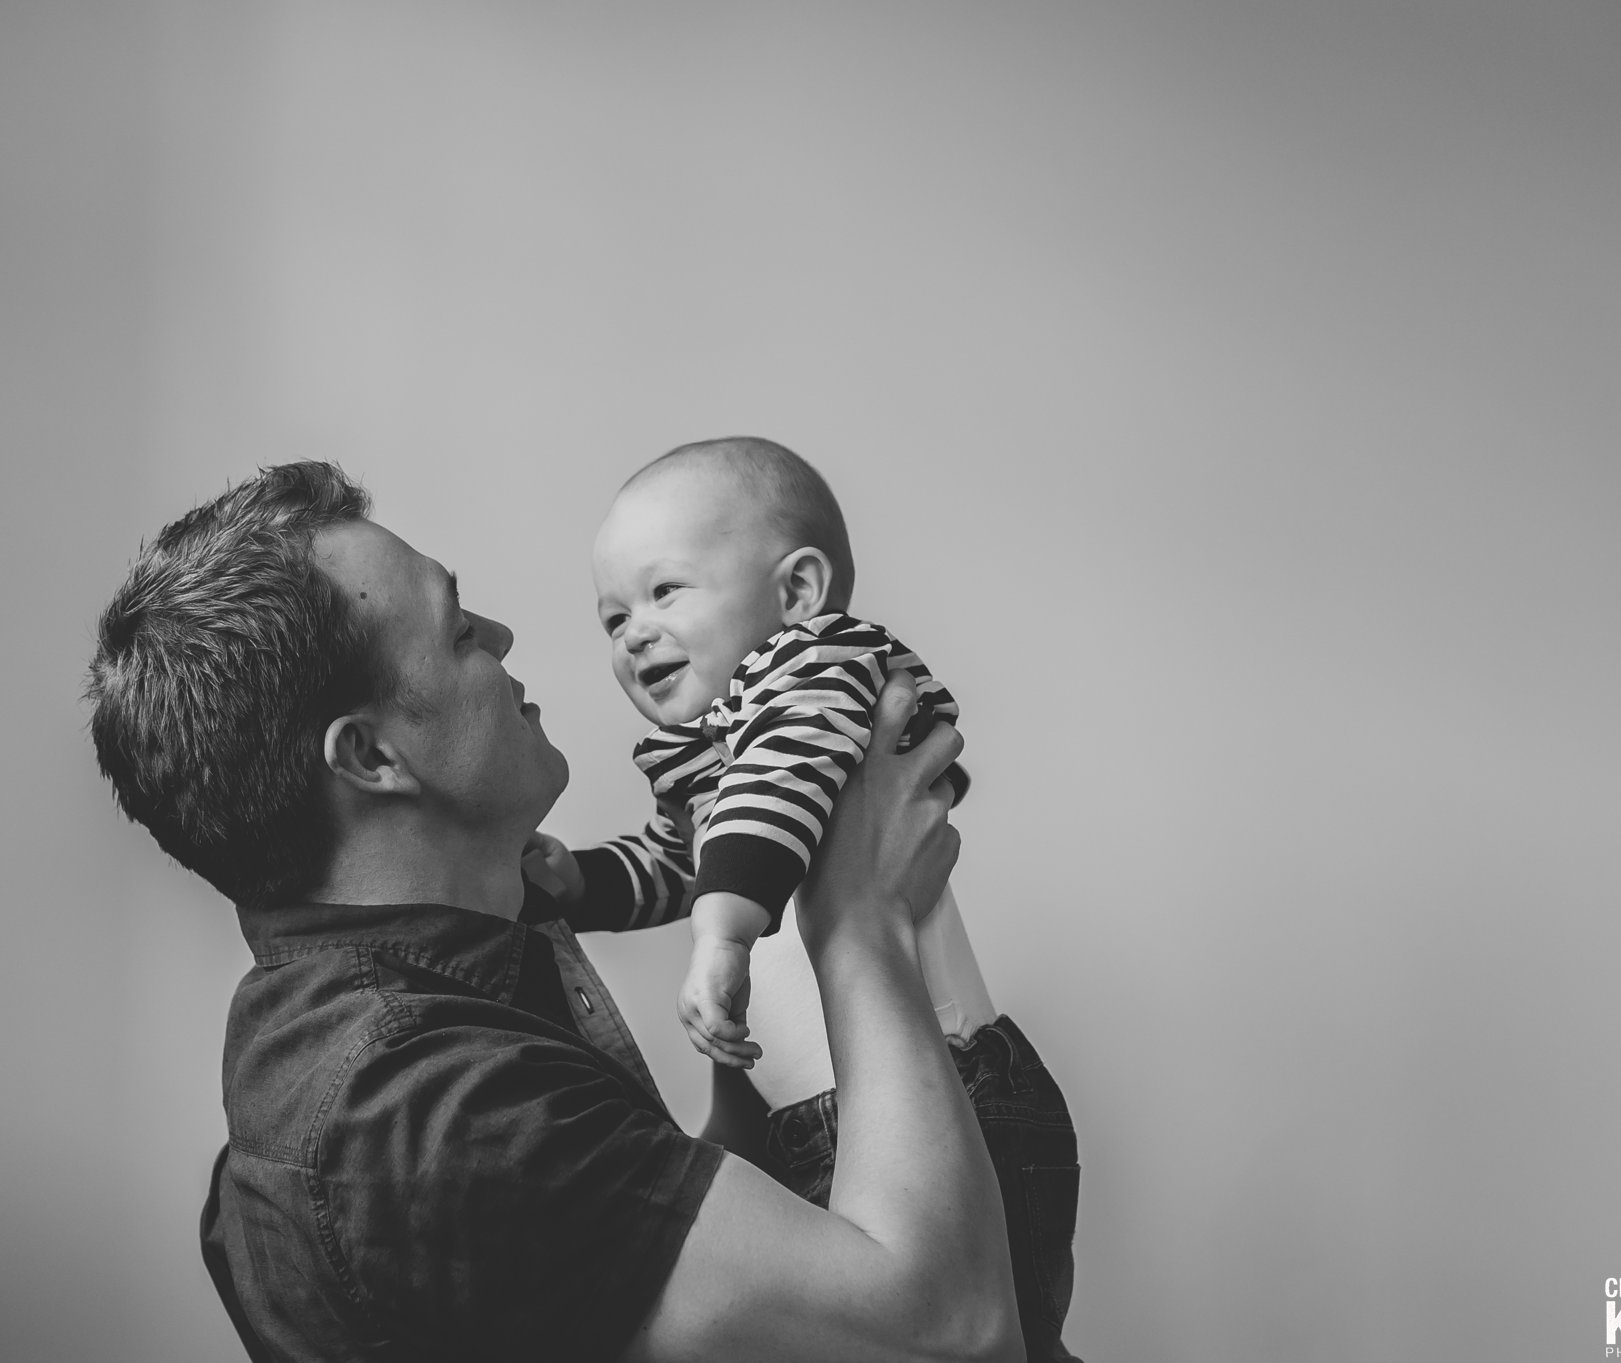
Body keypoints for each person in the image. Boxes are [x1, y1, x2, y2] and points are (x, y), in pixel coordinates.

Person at [85, 461, 1027, 1362]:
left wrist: (758, 1037)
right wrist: (860, 916)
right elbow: (949, 1332)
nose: (499, 635)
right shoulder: (436, 1116)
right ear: (372, 757)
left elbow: (656, 1256)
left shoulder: (421, 993)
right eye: (457, 632)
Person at [523, 437, 1081, 1360]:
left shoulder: (818, 666)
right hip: (823, 1113)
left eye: (664, 592)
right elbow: (685, 860)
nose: (631, 632)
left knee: (989, 1338)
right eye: (612, 615)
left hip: (952, 1099)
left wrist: (724, 938)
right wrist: (579, 882)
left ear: (796, 591)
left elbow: (771, 799)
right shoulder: (725, 754)